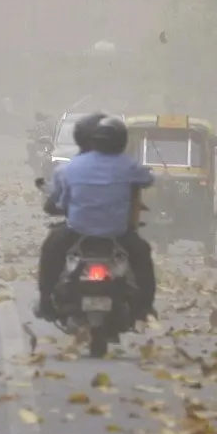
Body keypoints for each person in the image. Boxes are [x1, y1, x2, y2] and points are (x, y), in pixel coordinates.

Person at [35, 114, 158, 323]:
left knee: (50, 250)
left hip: (76, 231)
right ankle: (145, 307)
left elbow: (57, 200)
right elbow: (148, 179)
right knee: (142, 255)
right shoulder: (128, 166)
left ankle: (45, 302)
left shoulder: (69, 168)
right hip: (118, 234)